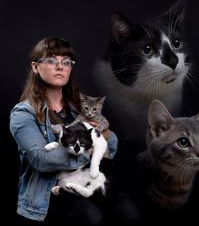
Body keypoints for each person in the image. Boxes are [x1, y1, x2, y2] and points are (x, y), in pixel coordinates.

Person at [9, 37, 140, 226]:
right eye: (51, 60)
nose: (60, 66)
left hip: (86, 182)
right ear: (35, 67)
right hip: (49, 194)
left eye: (66, 61)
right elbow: (41, 159)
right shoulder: (23, 113)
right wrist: (91, 151)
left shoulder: (78, 109)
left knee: (128, 210)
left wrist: (107, 136)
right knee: (89, 215)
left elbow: (111, 145)